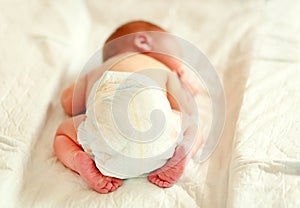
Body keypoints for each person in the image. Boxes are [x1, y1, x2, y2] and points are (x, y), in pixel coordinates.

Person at [54, 20, 202, 194]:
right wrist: (185, 89)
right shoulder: (163, 70)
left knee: (63, 133)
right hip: (156, 141)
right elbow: (185, 108)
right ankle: (184, 153)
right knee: (194, 126)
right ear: (143, 41)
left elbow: (68, 104)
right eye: (178, 52)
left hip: (107, 145)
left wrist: (73, 88)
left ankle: (77, 160)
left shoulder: (96, 71)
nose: (181, 61)